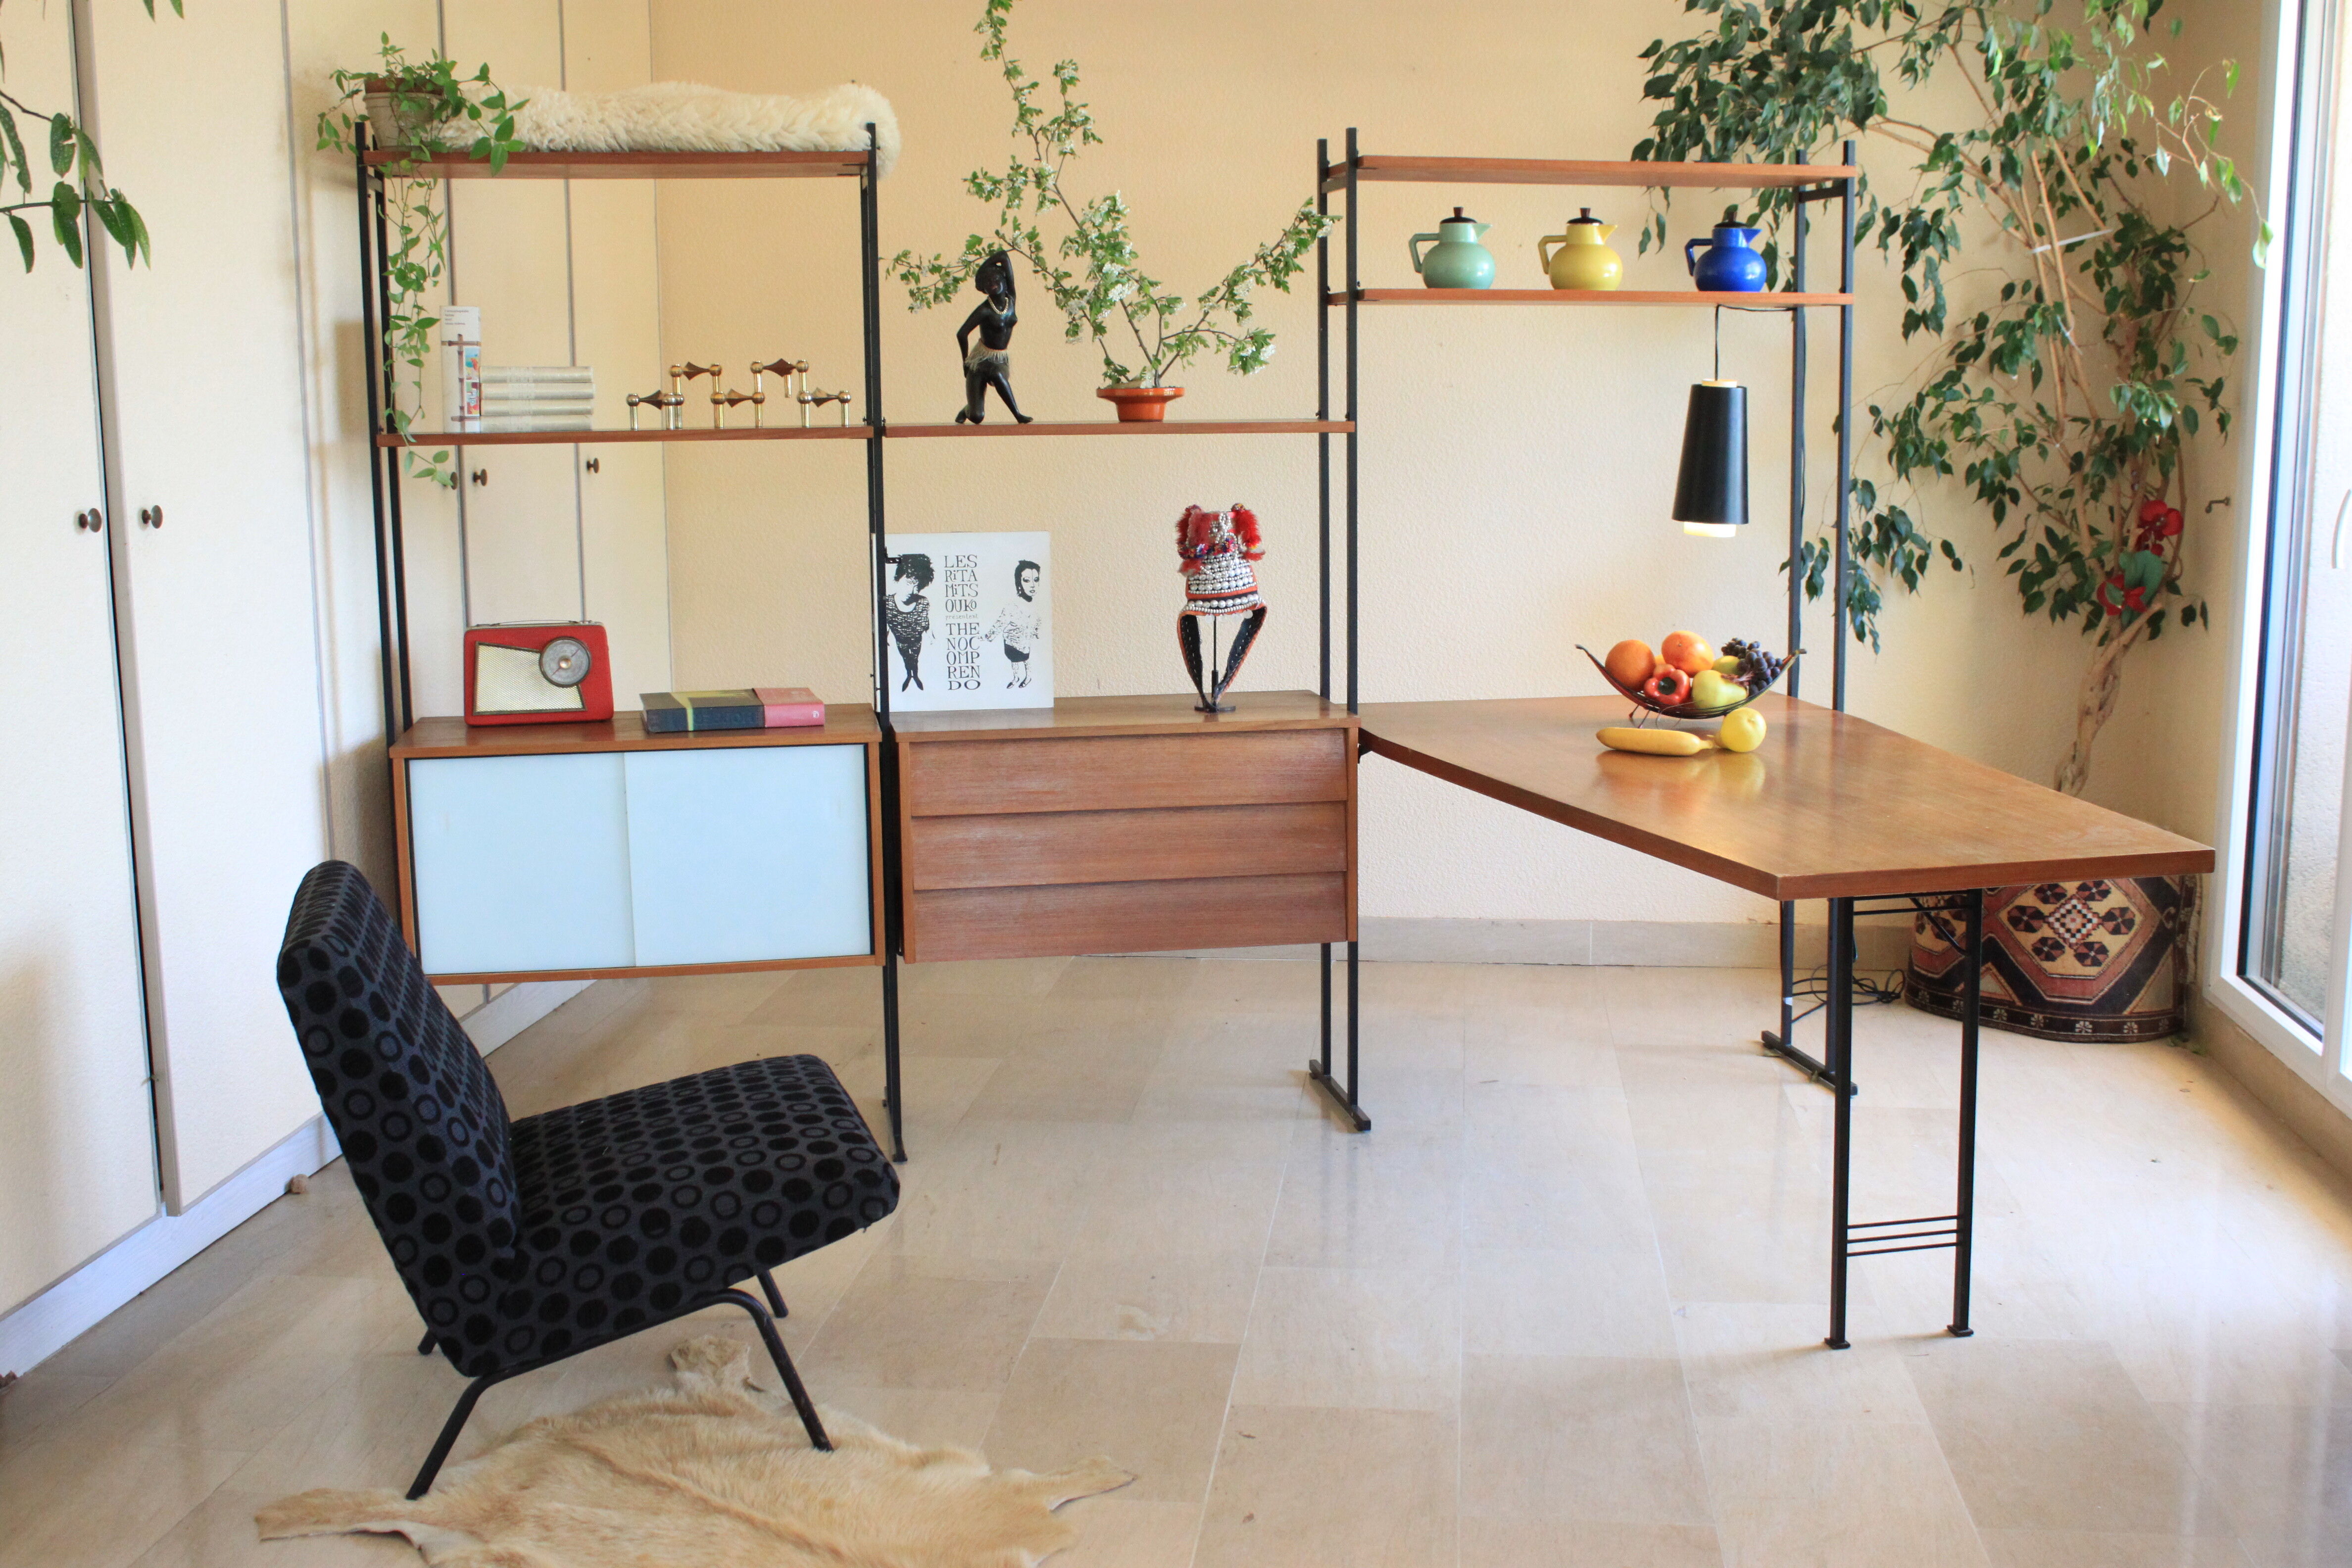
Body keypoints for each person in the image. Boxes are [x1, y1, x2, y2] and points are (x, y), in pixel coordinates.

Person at [954, 250, 1034, 425]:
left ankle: (1018, 415)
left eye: (997, 280)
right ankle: (966, 410)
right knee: (977, 417)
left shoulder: (1011, 300)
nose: (993, 284)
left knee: (998, 374)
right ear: (984, 288)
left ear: (1005, 282)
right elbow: (962, 333)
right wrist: (965, 362)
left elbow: (1003, 256)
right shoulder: (984, 310)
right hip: (980, 360)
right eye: (988, 282)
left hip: (999, 359)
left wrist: (982, 269)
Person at [984, 558, 1043, 687]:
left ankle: (1028, 678)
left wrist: (1037, 632)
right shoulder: (1013, 606)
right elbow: (1001, 622)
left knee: (1026, 660)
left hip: (1026, 642)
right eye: (1027, 581)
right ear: (1019, 583)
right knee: (1015, 661)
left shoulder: (1037, 606)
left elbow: (1038, 622)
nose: (1033, 585)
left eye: (1036, 580)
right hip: (1012, 643)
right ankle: (1016, 678)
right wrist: (989, 637)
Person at [883, 554, 933, 691]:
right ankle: (909, 676)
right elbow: (884, 623)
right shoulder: (887, 603)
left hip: (917, 641)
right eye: (909, 583)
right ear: (897, 580)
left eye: (918, 586)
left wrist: (930, 634)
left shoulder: (923, 602)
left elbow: (925, 622)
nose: (912, 591)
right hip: (900, 641)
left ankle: (915, 676)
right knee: (906, 659)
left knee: (915, 659)